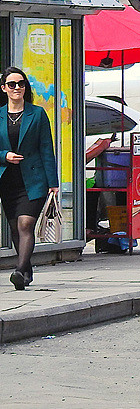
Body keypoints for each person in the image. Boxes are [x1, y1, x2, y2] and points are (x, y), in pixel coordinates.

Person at [0, 67, 58, 291]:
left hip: (33, 180)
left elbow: (46, 148)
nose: (17, 88)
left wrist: (53, 183)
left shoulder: (37, 114)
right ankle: (26, 271)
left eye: (21, 84)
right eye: (12, 84)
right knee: (16, 229)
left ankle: (18, 270)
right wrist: (4, 156)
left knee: (26, 224)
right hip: (8, 181)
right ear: (4, 88)